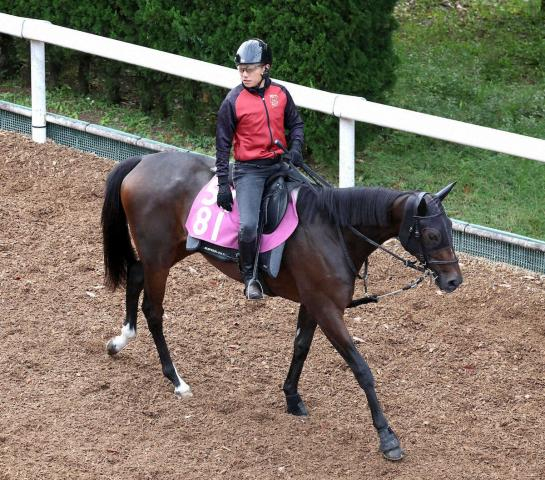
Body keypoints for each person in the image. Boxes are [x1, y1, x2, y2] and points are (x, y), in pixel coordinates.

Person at [215, 38, 304, 300]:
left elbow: (296, 125)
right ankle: (251, 277)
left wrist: (296, 148)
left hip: (279, 165)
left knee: (313, 203)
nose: (244, 74)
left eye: (250, 69)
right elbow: (222, 147)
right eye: (241, 69)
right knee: (248, 226)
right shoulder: (232, 100)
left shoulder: (281, 94)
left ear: (265, 68)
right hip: (249, 172)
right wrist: (223, 183)